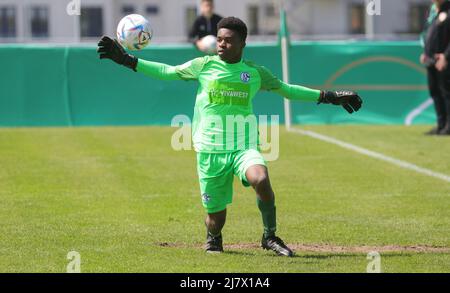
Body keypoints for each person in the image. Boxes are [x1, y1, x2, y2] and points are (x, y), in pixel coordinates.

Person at [97, 17, 362, 256]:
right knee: (215, 217)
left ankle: (269, 236)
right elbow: (168, 72)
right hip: (210, 150)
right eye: (219, 39)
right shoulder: (203, 65)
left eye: (228, 40)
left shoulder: (255, 73)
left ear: (242, 43)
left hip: (244, 146)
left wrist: (329, 96)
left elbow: (287, 90)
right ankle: (213, 237)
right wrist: (127, 60)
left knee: (261, 179)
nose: (221, 44)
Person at [421, 0, 450, 135]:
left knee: (446, 94)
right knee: (435, 93)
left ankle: (448, 127)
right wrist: (426, 53)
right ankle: (441, 125)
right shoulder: (433, 12)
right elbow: (429, 34)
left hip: (443, 60)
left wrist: (446, 56)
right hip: (431, 60)